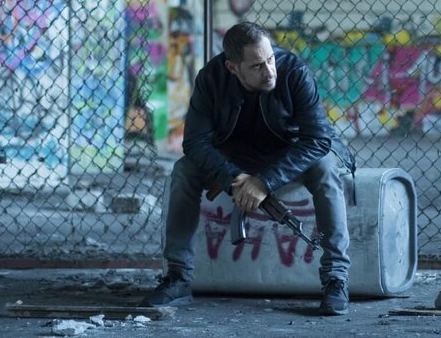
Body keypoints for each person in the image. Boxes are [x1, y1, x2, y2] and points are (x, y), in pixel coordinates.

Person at [141, 22, 354, 316]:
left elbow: (318, 139)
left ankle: (336, 278)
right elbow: (195, 143)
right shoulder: (211, 78)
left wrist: (264, 182)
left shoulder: (294, 71)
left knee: (326, 168)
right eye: (257, 66)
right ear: (232, 67)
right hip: (236, 158)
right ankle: (177, 277)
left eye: (270, 59)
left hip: (289, 151)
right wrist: (234, 178)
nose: (269, 71)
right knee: (184, 171)